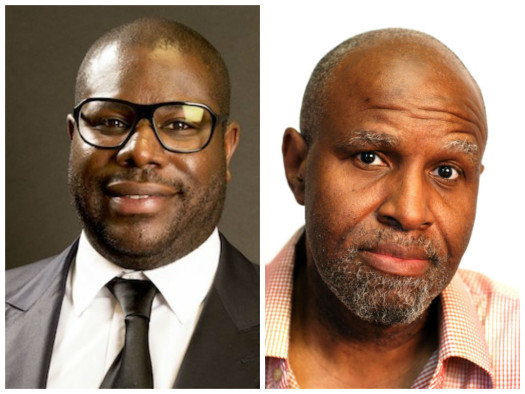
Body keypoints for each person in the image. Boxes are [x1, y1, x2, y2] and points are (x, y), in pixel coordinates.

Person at [6, 17, 259, 389]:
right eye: (109, 120)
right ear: (73, 137)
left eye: (179, 125)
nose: (140, 152)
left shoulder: (284, 319)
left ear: (227, 147)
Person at [265, 28, 519, 389]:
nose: (410, 212)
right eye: (369, 158)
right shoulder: (215, 321)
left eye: (446, 172)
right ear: (298, 166)